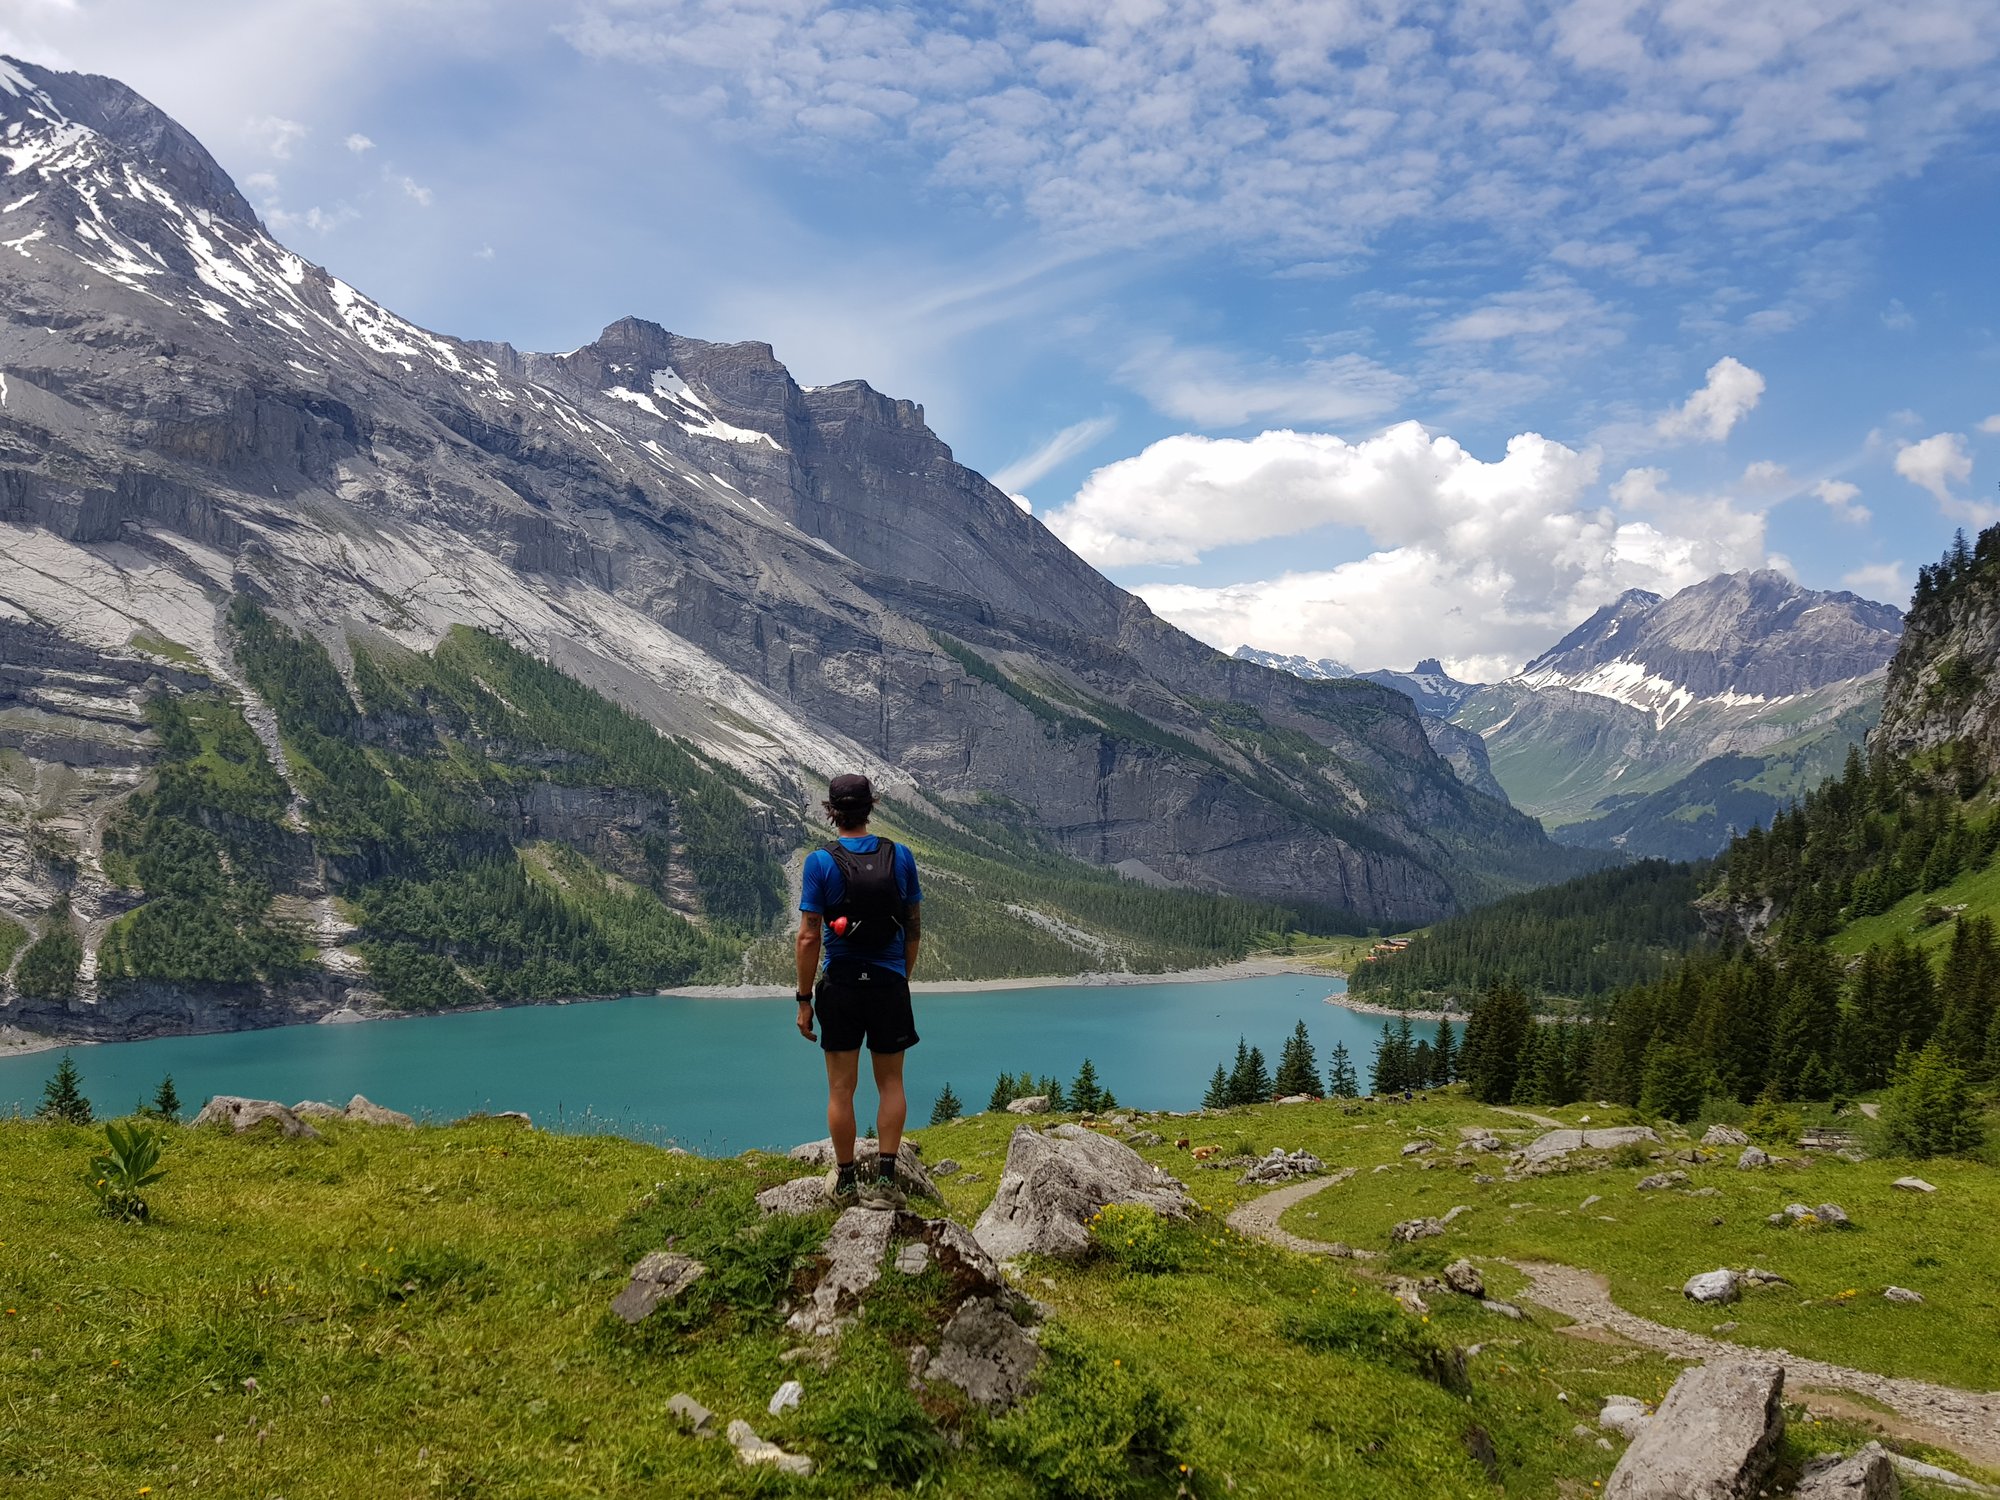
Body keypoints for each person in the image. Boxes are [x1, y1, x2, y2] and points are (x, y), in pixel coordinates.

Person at [795, 773, 923, 1209]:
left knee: (840, 1089)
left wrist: (804, 999)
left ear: (832, 811)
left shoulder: (820, 862)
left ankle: (847, 1185)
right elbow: (913, 928)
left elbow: (809, 936)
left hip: (842, 986)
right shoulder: (900, 856)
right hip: (888, 985)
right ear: (872, 806)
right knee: (891, 1084)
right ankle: (887, 1182)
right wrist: (898, 978)